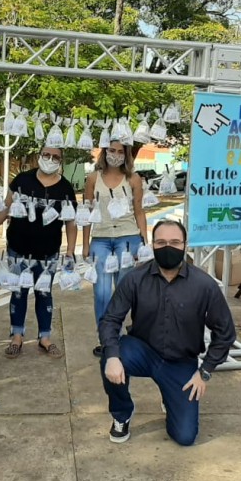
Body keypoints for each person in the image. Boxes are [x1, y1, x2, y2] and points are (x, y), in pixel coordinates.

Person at [100, 220, 236, 445]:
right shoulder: (135, 278)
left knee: (185, 437)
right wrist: (113, 356)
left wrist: (205, 371)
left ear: (185, 245)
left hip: (181, 362)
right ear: (152, 245)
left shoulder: (204, 285)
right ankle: (121, 415)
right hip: (143, 353)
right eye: (161, 242)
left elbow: (225, 332)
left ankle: (170, 397)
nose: (168, 247)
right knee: (110, 356)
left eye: (174, 242)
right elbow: (110, 319)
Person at [0, 146, 77, 358]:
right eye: (46, 155)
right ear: (39, 155)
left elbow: (71, 223)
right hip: (18, 250)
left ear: (61, 161)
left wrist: (70, 250)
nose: (50, 159)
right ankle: (16, 337)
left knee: (44, 293)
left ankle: (45, 338)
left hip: (48, 253)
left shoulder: (65, 189)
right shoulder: (23, 180)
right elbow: (4, 209)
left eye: (55, 157)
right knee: (18, 292)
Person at [82, 140, 148, 357]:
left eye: (121, 151)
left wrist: (144, 242)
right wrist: (85, 244)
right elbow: (87, 211)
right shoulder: (93, 178)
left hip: (128, 238)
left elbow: (139, 211)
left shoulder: (133, 179)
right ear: (104, 151)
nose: (116, 155)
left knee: (123, 291)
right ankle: (106, 339)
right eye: (112, 150)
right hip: (100, 239)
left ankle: (119, 337)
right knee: (101, 292)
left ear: (126, 155)